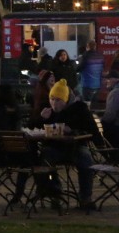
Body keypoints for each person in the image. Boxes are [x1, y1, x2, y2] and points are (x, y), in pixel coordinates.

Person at [35, 79, 102, 212]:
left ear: (66, 99)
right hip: (55, 148)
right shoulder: (48, 110)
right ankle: (54, 193)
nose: (54, 103)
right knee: (45, 158)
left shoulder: (79, 109)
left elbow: (91, 130)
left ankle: (85, 197)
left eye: (58, 100)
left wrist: (73, 130)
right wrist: (41, 119)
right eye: (52, 99)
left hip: (77, 146)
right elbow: (35, 129)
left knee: (85, 160)